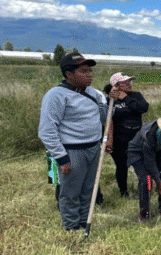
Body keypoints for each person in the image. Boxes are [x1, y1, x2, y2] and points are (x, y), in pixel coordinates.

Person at [38, 52, 107, 231]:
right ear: (69, 74)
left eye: (90, 71)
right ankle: (71, 226)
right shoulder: (56, 95)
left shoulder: (93, 93)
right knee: (70, 192)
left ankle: (84, 221)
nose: (89, 75)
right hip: (72, 151)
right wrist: (61, 158)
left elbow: (103, 118)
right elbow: (46, 131)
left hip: (94, 148)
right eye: (83, 71)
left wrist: (109, 100)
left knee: (88, 189)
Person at [104, 72, 149, 198]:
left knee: (142, 165)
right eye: (126, 82)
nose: (129, 84)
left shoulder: (136, 96)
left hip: (137, 138)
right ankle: (123, 192)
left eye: (130, 81)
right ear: (116, 85)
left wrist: (125, 98)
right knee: (122, 166)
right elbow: (107, 120)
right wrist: (108, 140)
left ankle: (145, 189)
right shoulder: (109, 100)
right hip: (119, 140)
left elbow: (143, 108)